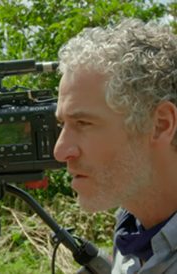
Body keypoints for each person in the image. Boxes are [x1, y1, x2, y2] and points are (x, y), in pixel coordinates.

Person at [54, 18, 177, 273]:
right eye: (62, 125)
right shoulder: (132, 233)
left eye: (83, 123)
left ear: (161, 125)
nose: (60, 151)